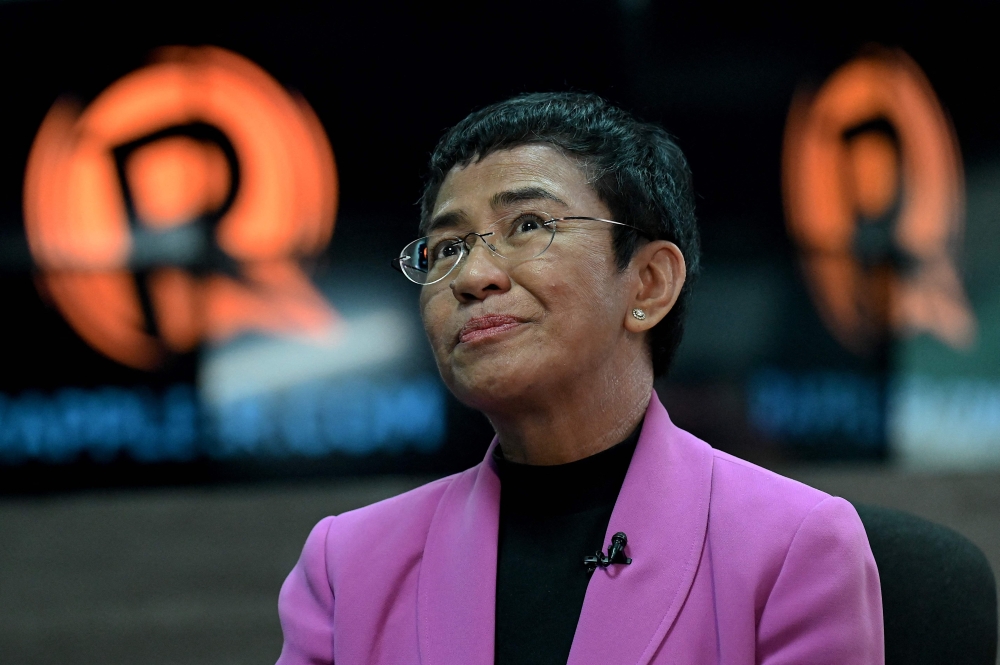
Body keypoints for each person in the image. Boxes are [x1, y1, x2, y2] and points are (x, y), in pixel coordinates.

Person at [275, 92, 884, 665]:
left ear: (648, 283)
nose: (473, 275)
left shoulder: (793, 549)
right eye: (447, 248)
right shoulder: (345, 567)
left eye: (530, 225)